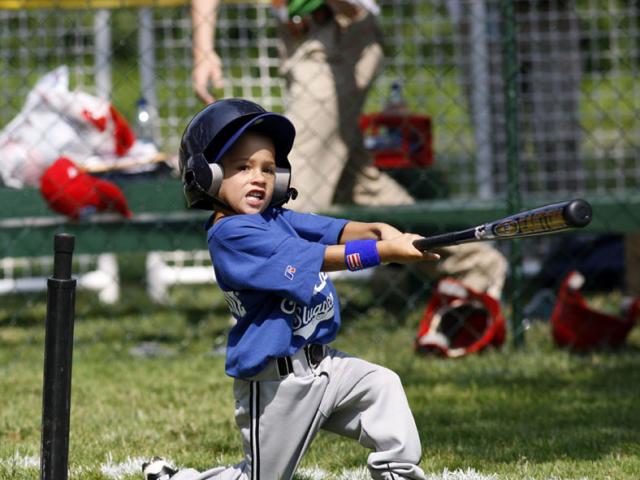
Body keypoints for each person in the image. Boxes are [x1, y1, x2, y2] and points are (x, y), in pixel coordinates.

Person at [142, 98, 438, 480]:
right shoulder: (232, 234)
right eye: (242, 168)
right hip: (277, 383)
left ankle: (397, 473)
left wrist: (378, 229)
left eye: (268, 169)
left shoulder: (275, 217)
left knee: (382, 386)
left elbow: (333, 230)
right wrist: (382, 252)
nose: (259, 178)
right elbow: (317, 255)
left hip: (325, 365)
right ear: (208, 176)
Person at [190, 0, 414, 212]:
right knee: (358, 182)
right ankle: (439, 243)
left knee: (290, 176)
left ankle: (281, 247)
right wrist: (203, 52)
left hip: (338, 34)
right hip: (296, 34)